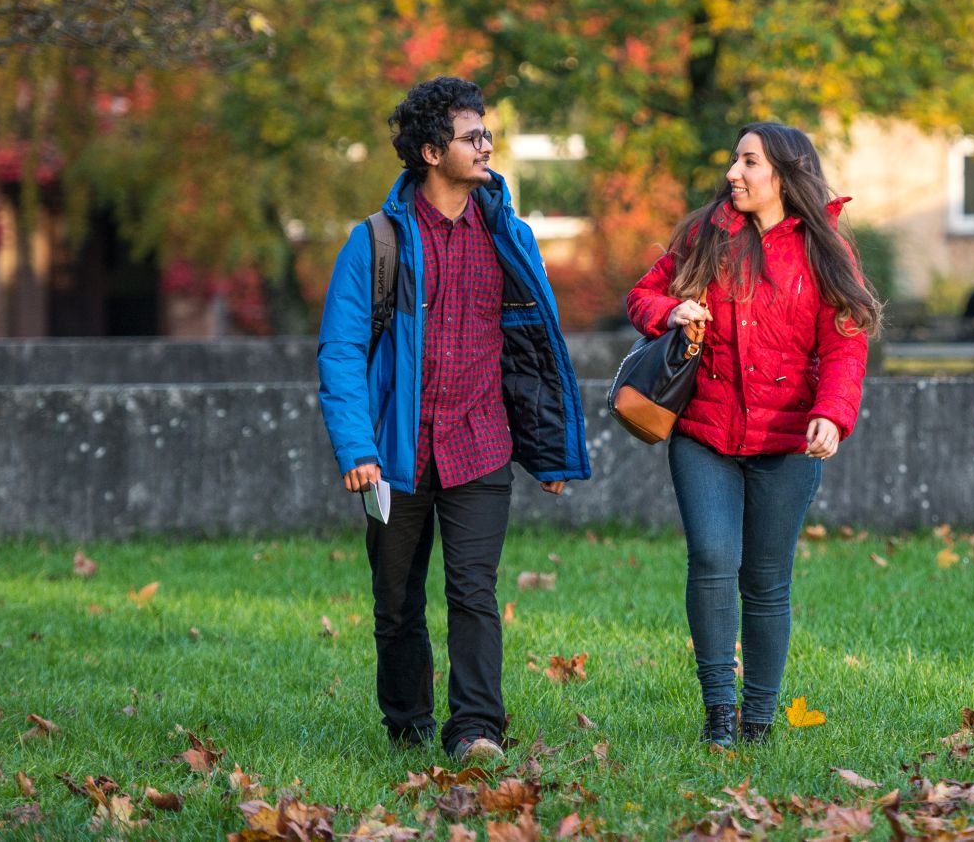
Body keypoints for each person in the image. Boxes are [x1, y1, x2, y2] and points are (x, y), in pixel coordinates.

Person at [317, 77, 590, 760]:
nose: (486, 144)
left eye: (486, 132)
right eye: (472, 135)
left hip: (481, 443)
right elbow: (342, 349)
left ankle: (475, 729)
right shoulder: (375, 242)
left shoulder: (509, 237)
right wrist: (357, 447)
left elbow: (536, 351)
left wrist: (549, 454)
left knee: (474, 592)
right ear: (433, 151)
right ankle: (407, 722)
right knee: (395, 600)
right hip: (392, 455)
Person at [625, 122, 879, 749]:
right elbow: (642, 294)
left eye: (749, 161)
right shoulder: (705, 233)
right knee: (713, 559)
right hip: (703, 432)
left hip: (788, 441)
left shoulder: (826, 250)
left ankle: (759, 721)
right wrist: (670, 311)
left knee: (767, 579)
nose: (734, 173)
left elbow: (846, 346)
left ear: (785, 174)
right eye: (735, 160)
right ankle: (719, 716)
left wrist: (832, 412)